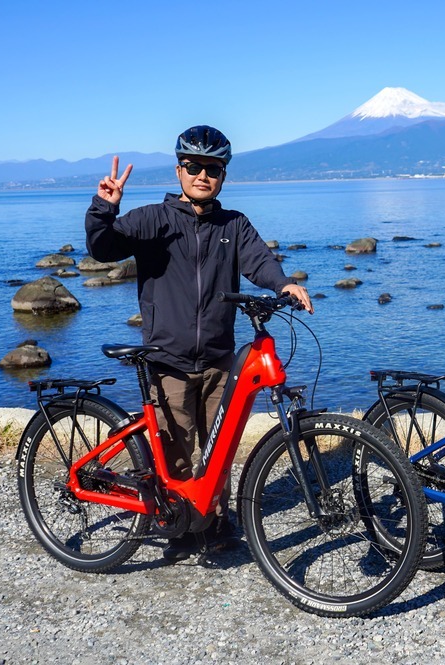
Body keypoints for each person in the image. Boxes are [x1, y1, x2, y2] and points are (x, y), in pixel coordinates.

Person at [85, 125, 313, 561]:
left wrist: (283, 284)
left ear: (223, 175)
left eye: (213, 169)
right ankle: (179, 525)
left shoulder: (233, 225)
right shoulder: (153, 219)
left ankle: (215, 522)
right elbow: (103, 248)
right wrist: (104, 208)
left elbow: (260, 262)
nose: (202, 176)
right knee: (176, 447)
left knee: (218, 447)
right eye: (193, 167)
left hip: (217, 357)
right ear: (179, 171)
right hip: (167, 358)